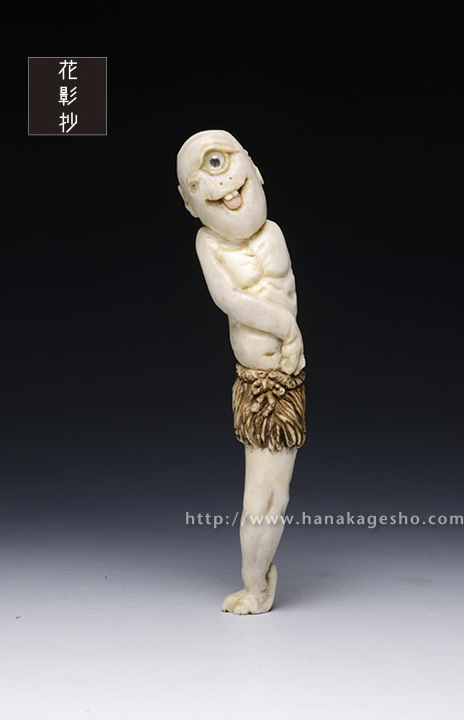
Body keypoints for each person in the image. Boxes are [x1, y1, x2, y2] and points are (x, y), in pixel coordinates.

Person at [177, 130, 306, 614]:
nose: (223, 185)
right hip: (257, 383)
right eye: (200, 179)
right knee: (260, 494)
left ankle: (257, 583)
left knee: (274, 493)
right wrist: (288, 330)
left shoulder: (273, 233)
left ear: (255, 170)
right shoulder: (209, 243)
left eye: (223, 161)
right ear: (189, 203)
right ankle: (255, 583)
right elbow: (229, 299)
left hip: (287, 380)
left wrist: (289, 340)